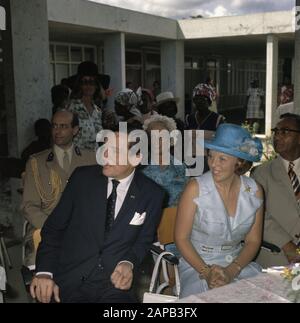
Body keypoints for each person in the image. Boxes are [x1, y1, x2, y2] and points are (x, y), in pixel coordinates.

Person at [30, 126, 165, 303]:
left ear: (136, 157)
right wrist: (45, 273)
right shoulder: (82, 179)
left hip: (115, 286)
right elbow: (53, 230)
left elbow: (143, 240)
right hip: (70, 280)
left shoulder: (152, 193)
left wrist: (128, 262)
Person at [175, 123, 264, 298]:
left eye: (222, 159)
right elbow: (181, 238)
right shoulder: (195, 188)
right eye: (210, 156)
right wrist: (206, 272)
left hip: (238, 264)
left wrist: (232, 271)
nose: (213, 164)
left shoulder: (254, 191)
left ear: (239, 161)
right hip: (197, 264)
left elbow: (253, 241)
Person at [21, 110, 97, 267]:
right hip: (46, 228)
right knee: (39, 266)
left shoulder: (92, 159)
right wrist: (56, 228)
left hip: (83, 230)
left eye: (63, 126)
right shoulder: (36, 162)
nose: (57, 131)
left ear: (75, 130)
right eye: (54, 126)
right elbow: (29, 206)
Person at [252, 114, 300, 267]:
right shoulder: (261, 173)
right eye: (276, 131)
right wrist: (287, 244)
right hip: (276, 254)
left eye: (285, 131)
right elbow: (258, 214)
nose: (277, 136)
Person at [68, 70, 104, 150]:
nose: (88, 86)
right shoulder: (72, 106)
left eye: (91, 83)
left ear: (96, 86)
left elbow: (100, 135)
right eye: (85, 83)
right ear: (80, 86)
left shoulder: (97, 110)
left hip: (94, 155)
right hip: (76, 154)